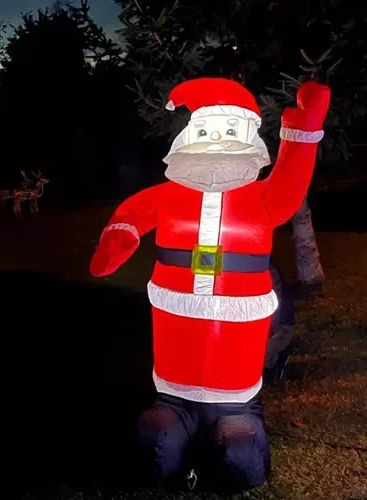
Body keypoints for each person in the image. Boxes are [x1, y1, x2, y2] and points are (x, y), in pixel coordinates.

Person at [90, 77, 330, 490]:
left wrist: (303, 130)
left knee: (240, 458)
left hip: (237, 341)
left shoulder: (264, 199)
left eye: (229, 132)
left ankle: (236, 419)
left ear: (249, 138)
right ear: (188, 138)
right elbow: (134, 212)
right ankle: (174, 412)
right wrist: (119, 236)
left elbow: (291, 182)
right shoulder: (168, 195)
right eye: (206, 132)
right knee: (154, 446)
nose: (217, 141)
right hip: (175, 332)